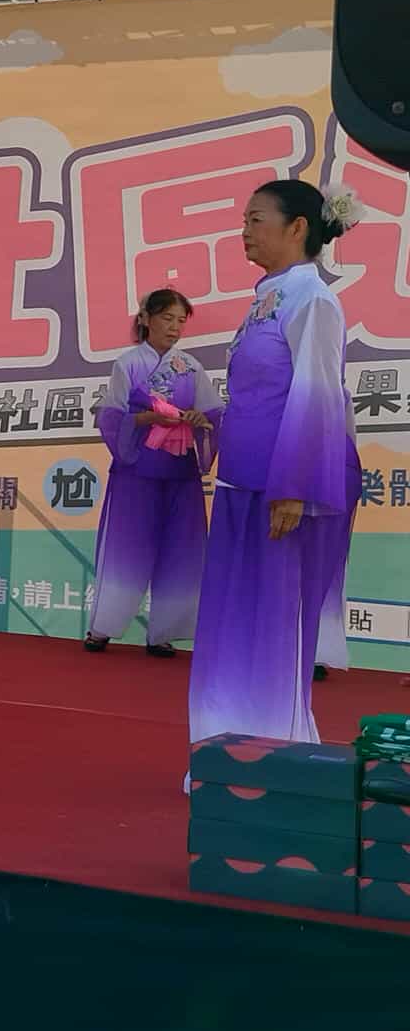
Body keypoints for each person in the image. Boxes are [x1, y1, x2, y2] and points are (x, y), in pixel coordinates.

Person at [188, 179, 363, 747]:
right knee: (232, 622)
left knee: (273, 628)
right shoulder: (268, 297)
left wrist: (293, 488)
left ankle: (275, 752)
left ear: (297, 228)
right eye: (244, 219)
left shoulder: (313, 300)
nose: (244, 230)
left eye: (256, 219)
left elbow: (318, 394)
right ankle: (221, 746)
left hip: (283, 495)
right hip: (241, 485)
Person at [84, 288, 222, 656]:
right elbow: (112, 417)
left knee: (180, 550)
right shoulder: (128, 364)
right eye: (167, 318)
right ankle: (103, 626)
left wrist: (198, 420)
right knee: (125, 549)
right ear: (146, 319)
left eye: (181, 321)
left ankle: (163, 632)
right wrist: (147, 418)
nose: (174, 327)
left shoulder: (191, 367)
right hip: (137, 470)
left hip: (180, 472)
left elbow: (213, 414)